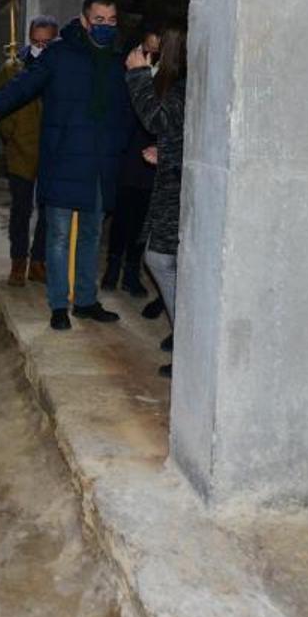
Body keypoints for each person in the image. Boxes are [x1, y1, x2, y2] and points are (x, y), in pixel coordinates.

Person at [0, 0, 134, 331]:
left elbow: (127, 112)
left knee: (90, 234)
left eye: (111, 21)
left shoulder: (119, 61)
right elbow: (25, 84)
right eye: (99, 20)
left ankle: (85, 301)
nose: (105, 27)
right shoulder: (59, 55)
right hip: (63, 159)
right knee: (56, 235)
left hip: (100, 164)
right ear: (85, 21)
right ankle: (58, 304)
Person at [124, 25, 186, 366]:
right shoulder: (183, 85)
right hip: (173, 181)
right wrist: (169, 153)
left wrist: (137, 77)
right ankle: (184, 335)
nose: (150, 59)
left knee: (161, 260)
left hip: (179, 189)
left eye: (155, 53)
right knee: (163, 260)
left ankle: (187, 341)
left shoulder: (182, 86)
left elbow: (156, 120)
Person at [0, 16, 58, 286]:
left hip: (52, 149)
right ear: (29, 37)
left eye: (46, 42)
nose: (40, 47)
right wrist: (11, 136)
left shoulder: (61, 67)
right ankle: (18, 263)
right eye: (36, 41)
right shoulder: (13, 68)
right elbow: (2, 104)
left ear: (55, 40)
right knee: (21, 209)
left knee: (48, 209)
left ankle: (39, 262)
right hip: (21, 149)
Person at [102, 28, 160, 298]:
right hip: (128, 152)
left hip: (152, 154)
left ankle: (131, 273)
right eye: (146, 48)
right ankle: (112, 269)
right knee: (122, 215)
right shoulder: (124, 69)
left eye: (156, 50)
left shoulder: (171, 77)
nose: (150, 54)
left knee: (142, 218)